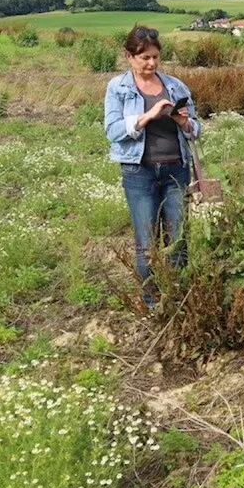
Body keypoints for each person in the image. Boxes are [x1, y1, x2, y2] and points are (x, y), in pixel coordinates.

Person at [103, 25, 201, 305]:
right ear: (129, 56)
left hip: (176, 170)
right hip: (139, 173)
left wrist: (184, 122)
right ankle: (152, 301)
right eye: (144, 57)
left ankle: (180, 299)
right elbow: (112, 131)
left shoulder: (175, 86)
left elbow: (197, 130)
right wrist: (148, 116)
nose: (152, 63)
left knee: (178, 241)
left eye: (156, 57)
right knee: (147, 244)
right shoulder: (118, 88)